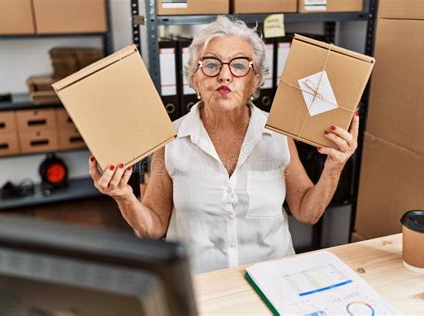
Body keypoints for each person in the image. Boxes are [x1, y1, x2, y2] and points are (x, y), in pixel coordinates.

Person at [89, 16, 359, 274]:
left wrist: (334, 166)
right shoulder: (171, 138)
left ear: (255, 82)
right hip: (200, 285)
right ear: (194, 78)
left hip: (272, 277)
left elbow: (306, 211)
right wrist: (124, 197)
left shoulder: (278, 133)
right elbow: (153, 228)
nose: (225, 76)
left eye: (240, 65)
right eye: (211, 64)